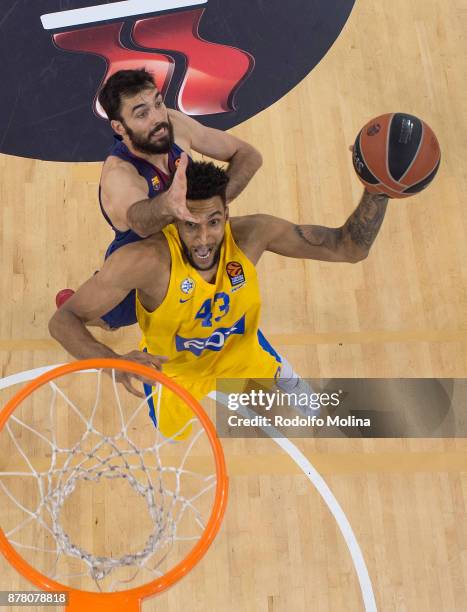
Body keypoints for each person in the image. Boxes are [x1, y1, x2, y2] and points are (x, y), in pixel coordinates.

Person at [49, 161, 389, 438]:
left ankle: (287, 379)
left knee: (278, 375)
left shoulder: (253, 235)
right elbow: (63, 320)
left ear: (226, 213)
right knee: (170, 432)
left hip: (238, 348)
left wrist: (379, 189)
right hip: (175, 369)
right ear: (175, 217)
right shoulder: (146, 261)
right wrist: (117, 364)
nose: (203, 239)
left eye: (213, 222)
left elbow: (349, 248)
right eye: (191, 225)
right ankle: (102, 310)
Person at [57, 68, 263, 330]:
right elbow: (141, 223)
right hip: (144, 251)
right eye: (142, 114)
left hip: (189, 236)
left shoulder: (174, 125)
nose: (158, 118)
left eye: (158, 103)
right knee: (111, 320)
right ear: (119, 127)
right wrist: (170, 206)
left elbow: (248, 156)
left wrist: (214, 203)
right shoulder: (120, 174)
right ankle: (77, 304)